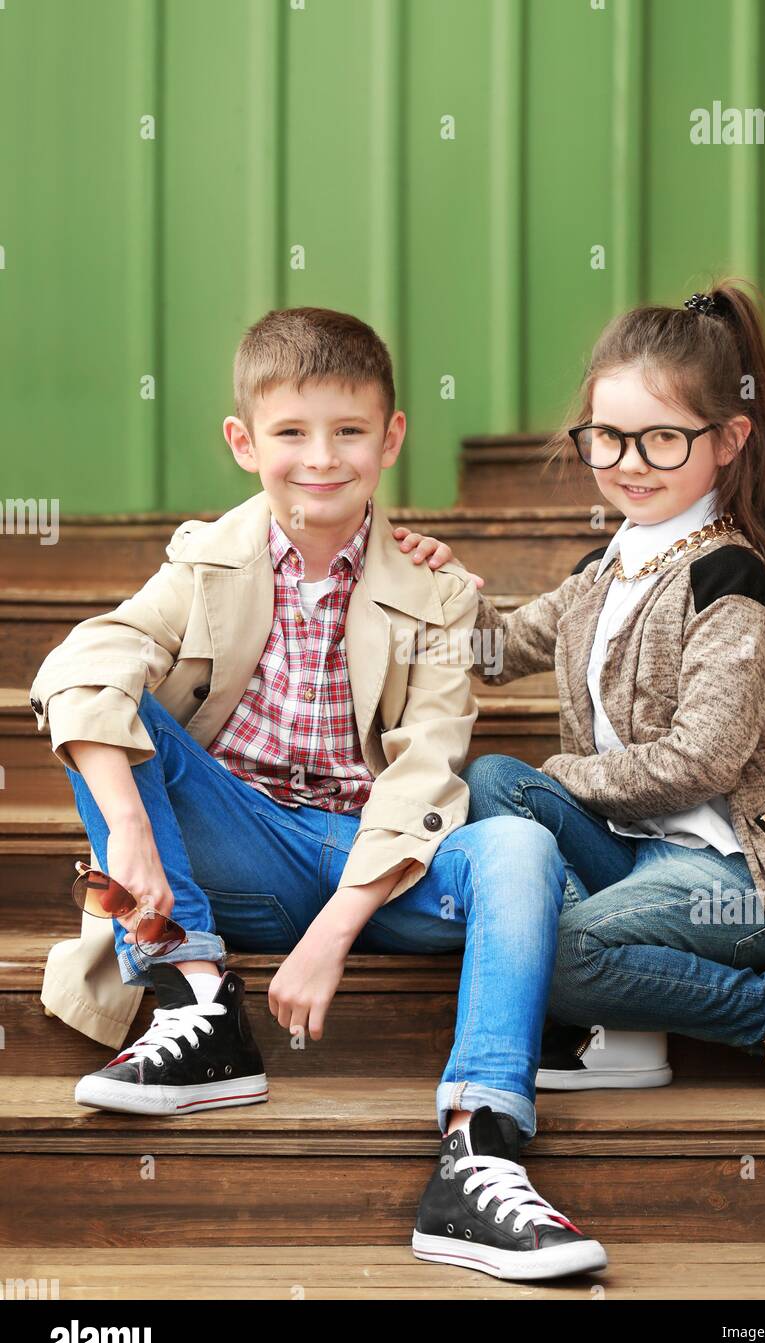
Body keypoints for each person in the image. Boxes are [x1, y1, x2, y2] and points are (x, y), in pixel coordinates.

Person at [28, 306, 608, 1282]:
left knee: (520, 845)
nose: (320, 458)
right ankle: (197, 1000)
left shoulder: (441, 595)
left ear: (391, 438)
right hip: (239, 848)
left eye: (348, 431)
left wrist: (334, 931)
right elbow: (80, 664)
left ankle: (478, 1150)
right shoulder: (205, 559)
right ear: (244, 441)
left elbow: (427, 773)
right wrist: (129, 833)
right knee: (114, 705)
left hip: (377, 864)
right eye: (292, 432)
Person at [391, 280, 765, 1104]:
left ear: (727, 439)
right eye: (607, 439)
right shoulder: (608, 568)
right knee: (491, 784)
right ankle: (619, 1029)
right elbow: (501, 648)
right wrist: (436, 587)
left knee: (542, 951)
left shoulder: (728, 580)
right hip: (636, 853)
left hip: (734, 881)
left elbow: (700, 762)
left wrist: (567, 778)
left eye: (660, 439)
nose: (627, 464)